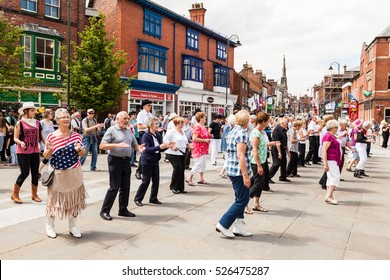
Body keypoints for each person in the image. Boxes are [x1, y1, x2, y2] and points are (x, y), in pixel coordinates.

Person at [43, 108, 87, 238]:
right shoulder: (51, 136)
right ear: (57, 120)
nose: (67, 119)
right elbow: (46, 155)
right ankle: (49, 225)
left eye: (68, 117)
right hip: (58, 173)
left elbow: (83, 153)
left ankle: (72, 226)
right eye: (63, 117)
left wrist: (79, 149)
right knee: (54, 200)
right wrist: (49, 150)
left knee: (75, 200)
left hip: (74, 172)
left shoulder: (75, 135)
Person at [99, 111, 145, 221]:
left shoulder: (129, 131)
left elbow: (134, 144)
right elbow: (102, 145)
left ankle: (123, 209)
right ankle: (105, 211)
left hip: (126, 161)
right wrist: (117, 145)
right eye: (124, 118)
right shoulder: (112, 130)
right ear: (118, 119)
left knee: (125, 187)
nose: (127, 120)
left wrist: (138, 148)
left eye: (128, 118)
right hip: (115, 160)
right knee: (114, 187)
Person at [216, 110, 252, 238]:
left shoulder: (232, 131)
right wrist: (246, 176)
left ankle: (239, 226)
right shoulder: (242, 133)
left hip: (232, 169)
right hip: (238, 171)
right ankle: (223, 223)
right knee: (243, 200)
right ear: (246, 121)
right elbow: (241, 155)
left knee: (240, 198)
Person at [245, 112, 280, 214]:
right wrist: (259, 165)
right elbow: (254, 150)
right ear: (263, 121)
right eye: (268, 121)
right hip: (257, 162)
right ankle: (244, 203)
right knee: (258, 183)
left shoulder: (261, 132)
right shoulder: (255, 133)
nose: (268, 123)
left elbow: (262, 145)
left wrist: (271, 143)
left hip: (263, 160)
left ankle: (256, 203)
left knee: (259, 182)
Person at [134, 117, 172, 206]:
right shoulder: (146, 136)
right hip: (147, 161)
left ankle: (153, 198)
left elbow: (160, 149)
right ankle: (138, 199)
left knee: (156, 180)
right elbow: (147, 149)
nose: (157, 125)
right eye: (155, 124)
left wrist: (167, 146)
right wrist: (160, 147)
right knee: (146, 181)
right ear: (150, 125)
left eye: (158, 123)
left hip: (155, 160)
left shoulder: (157, 135)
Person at [11, 102, 44, 204]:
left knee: (35, 173)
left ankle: (34, 195)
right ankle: (15, 194)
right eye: (32, 110)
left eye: (34, 110)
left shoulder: (38, 123)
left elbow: (41, 136)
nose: (34, 112)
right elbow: (15, 138)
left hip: (34, 151)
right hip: (23, 152)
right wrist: (21, 142)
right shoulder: (20, 123)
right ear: (26, 111)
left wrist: (47, 144)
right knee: (25, 172)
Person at [164, 117, 190, 194]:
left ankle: (180, 187)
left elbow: (185, 141)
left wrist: (189, 146)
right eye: (181, 122)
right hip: (172, 153)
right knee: (177, 168)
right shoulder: (172, 131)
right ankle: (173, 187)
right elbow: (165, 139)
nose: (183, 124)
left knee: (182, 169)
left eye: (183, 122)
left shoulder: (182, 132)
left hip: (181, 153)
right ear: (177, 123)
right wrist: (172, 146)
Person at [186, 112, 211, 186]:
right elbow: (194, 138)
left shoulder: (203, 126)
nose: (205, 118)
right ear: (200, 118)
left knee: (203, 164)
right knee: (198, 163)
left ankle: (201, 178)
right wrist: (205, 140)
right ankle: (189, 177)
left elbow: (205, 135)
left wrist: (210, 137)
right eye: (204, 117)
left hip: (203, 148)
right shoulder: (197, 127)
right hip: (198, 148)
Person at [322, 120, 342, 205]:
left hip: (333, 159)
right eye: (336, 127)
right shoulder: (328, 136)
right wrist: (325, 163)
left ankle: (329, 195)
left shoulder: (331, 136)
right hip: (331, 159)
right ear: (333, 128)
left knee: (331, 177)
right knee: (335, 176)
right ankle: (329, 196)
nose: (337, 129)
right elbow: (324, 150)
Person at [269, 117, 290, 183]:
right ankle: (268, 177)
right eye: (286, 123)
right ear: (282, 123)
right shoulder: (277, 130)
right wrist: (279, 152)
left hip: (283, 148)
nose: (287, 125)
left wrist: (287, 151)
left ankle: (283, 177)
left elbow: (285, 141)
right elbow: (277, 142)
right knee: (276, 163)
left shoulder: (284, 130)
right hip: (276, 149)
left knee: (284, 163)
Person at [135, 99, 153, 180]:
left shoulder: (150, 114)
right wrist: (149, 126)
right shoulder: (141, 114)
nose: (150, 107)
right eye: (149, 105)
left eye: (150, 105)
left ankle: (146, 169)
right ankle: (138, 171)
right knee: (144, 151)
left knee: (149, 152)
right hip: (143, 133)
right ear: (144, 106)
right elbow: (140, 126)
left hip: (149, 133)